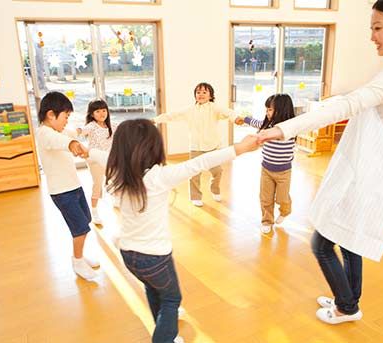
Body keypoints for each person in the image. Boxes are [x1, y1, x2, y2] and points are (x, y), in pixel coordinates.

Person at [258, 0, 383, 325]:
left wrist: (279, 130)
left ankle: (346, 305)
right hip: (370, 171)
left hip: (366, 174)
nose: (372, 36)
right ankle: (348, 299)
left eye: (377, 27)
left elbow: (349, 105)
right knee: (349, 238)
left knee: (322, 243)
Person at [88, 119, 259, 343]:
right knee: (171, 299)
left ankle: (165, 329)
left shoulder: (119, 169)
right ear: (153, 147)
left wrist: (82, 148)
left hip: (128, 254)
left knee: (152, 288)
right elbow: (200, 163)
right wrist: (240, 148)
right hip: (155, 257)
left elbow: (100, 155)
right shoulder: (158, 177)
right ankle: (164, 338)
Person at [36, 91, 99, 280]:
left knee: (86, 219)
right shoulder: (44, 133)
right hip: (62, 192)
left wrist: (82, 133)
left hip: (74, 186)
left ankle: (80, 256)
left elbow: (71, 133)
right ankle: (77, 261)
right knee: (80, 228)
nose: (66, 120)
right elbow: (61, 141)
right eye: (65, 116)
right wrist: (72, 144)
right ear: (51, 115)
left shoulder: (59, 130)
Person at [152, 82, 240, 207]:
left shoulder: (214, 108)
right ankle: (195, 196)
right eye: (198, 92)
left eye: (204, 92)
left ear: (210, 95)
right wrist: (155, 120)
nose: (201, 94)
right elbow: (172, 115)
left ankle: (215, 189)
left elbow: (229, 112)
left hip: (213, 146)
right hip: (195, 147)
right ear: (195, 95)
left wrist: (236, 118)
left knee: (217, 171)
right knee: (193, 173)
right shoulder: (190, 110)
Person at [236, 94, 296, 234]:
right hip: (266, 170)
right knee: (265, 198)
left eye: (270, 109)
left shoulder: (291, 128)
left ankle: (285, 210)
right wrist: (244, 118)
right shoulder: (267, 124)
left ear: (281, 109)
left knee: (282, 198)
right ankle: (267, 221)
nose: (267, 113)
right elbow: (256, 123)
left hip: (284, 172)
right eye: (266, 109)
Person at [77, 99, 116, 225]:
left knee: (116, 178)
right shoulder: (92, 126)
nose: (101, 114)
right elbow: (81, 130)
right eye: (97, 111)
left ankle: (116, 199)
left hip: (106, 158)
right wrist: (75, 131)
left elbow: (124, 128)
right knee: (97, 185)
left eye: (104, 110)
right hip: (94, 160)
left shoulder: (111, 126)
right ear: (92, 114)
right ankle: (94, 211)